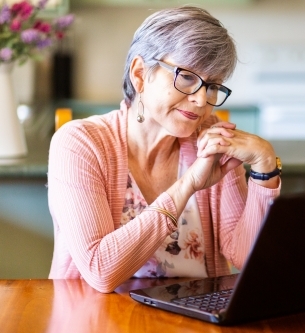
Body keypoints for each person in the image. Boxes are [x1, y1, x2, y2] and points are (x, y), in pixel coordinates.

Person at [47, 6, 281, 293]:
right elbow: (101, 271)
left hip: (195, 318)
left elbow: (246, 256)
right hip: (97, 318)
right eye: (186, 77)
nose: (200, 100)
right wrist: (187, 186)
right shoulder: (80, 143)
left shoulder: (211, 142)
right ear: (140, 74)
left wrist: (265, 170)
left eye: (212, 86)